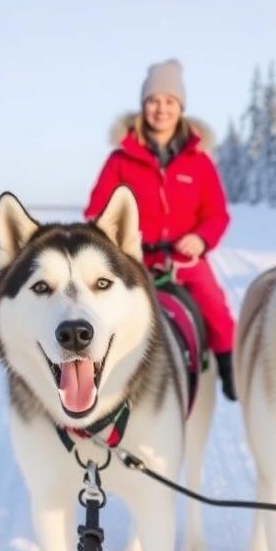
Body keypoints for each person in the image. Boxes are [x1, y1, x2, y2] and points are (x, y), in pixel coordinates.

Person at [84, 59, 237, 401]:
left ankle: (231, 369)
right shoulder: (120, 160)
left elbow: (217, 214)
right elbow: (96, 211)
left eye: (169, 101)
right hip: (134, 262)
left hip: (184, 261)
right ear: (143, 106)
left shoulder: (199, 162)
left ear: (180, 107)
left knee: (216, 308)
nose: (161, 109)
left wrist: (200, 239)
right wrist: (122, 241)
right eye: (154, 101)